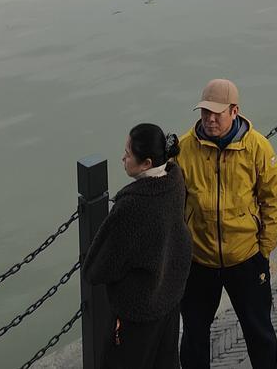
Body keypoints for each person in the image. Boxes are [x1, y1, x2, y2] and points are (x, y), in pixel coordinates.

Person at [176, 80, 277, 369]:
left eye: (217, 113)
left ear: (234, 111)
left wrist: (264, 249)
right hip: (199, 259)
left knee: (259, 331)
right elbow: (174, 202)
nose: (209, 119)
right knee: (194, 334)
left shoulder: (258, 148)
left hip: (246, 257)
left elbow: (273, 201)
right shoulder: (184, 148)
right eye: (204, 113)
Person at [84, 122, 193, 368]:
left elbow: (97, 268)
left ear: (146, 163)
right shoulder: (174, 180)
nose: (123, 157)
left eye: (129, 153)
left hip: (138, 309)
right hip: (169, 297)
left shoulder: (132, 205)